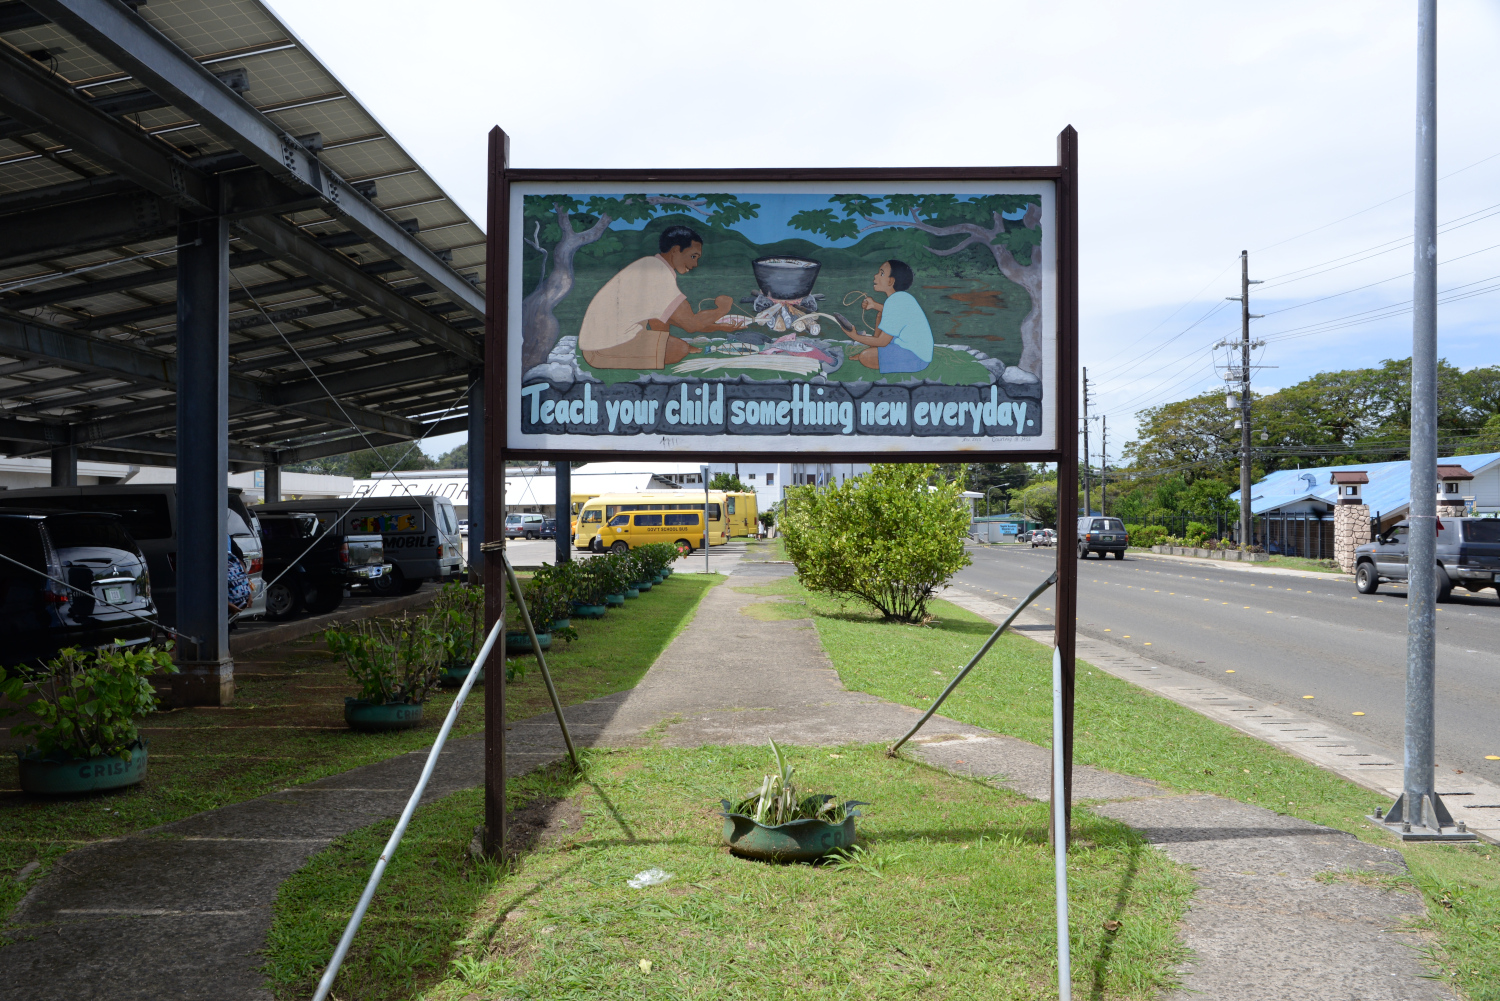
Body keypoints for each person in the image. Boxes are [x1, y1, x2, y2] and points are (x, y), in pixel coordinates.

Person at [578, 225, 738, 370]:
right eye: (693, 256)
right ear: (676, 250)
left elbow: (663, 318)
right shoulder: (658, 274)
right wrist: (722, 309)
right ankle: (667, 348)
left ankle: (663, 346)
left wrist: (720, 327)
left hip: (601, 344)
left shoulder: (651, 266)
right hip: (602, 350)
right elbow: (691, 324)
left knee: (668, 327)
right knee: (679, 349)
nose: (695, 264)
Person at [848, 260, 934, 374]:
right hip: (909, 349)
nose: (875, 276)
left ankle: (873, 354)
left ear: (890, 281)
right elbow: (895, 315)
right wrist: (874, 305)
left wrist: (854, 336)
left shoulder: (896, 301)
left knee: (865, 357)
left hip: (916, 358)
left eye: (881, 273)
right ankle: (876, 352)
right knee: (881, 314)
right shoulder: (901, 297)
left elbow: (882, 341)